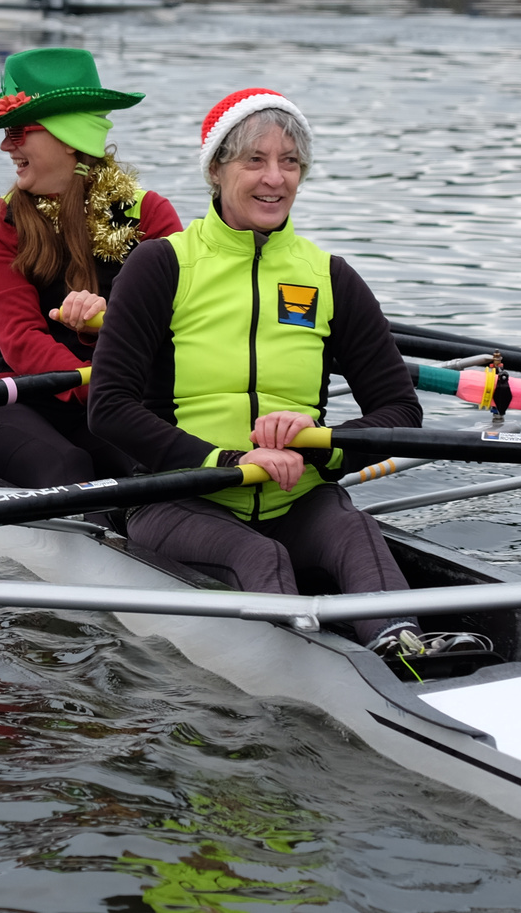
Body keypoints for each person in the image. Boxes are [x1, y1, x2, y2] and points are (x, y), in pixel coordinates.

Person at [89, 88, 474, 662]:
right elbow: (110, 407)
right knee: (260, 557)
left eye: (289, 162)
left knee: (354, 531)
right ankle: (317, 675)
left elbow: (400, 411)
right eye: (255, 160)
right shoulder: (162, 264)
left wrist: (320, 445)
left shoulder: (330, 276)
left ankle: (407, 651)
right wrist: (227, 464)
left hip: (299, 495)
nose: (275, 178)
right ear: (217, 169)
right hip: (181, 497)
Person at [0, 48, 182, 488]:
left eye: (17, 131)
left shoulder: (150, 215)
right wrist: (114, 396)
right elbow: (20, 341)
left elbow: (175, 327)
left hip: (107, 401)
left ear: (69, 135)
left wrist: (107, 333)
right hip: (9, 397)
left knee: (145, 472)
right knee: (67, 468)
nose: (4, 145)